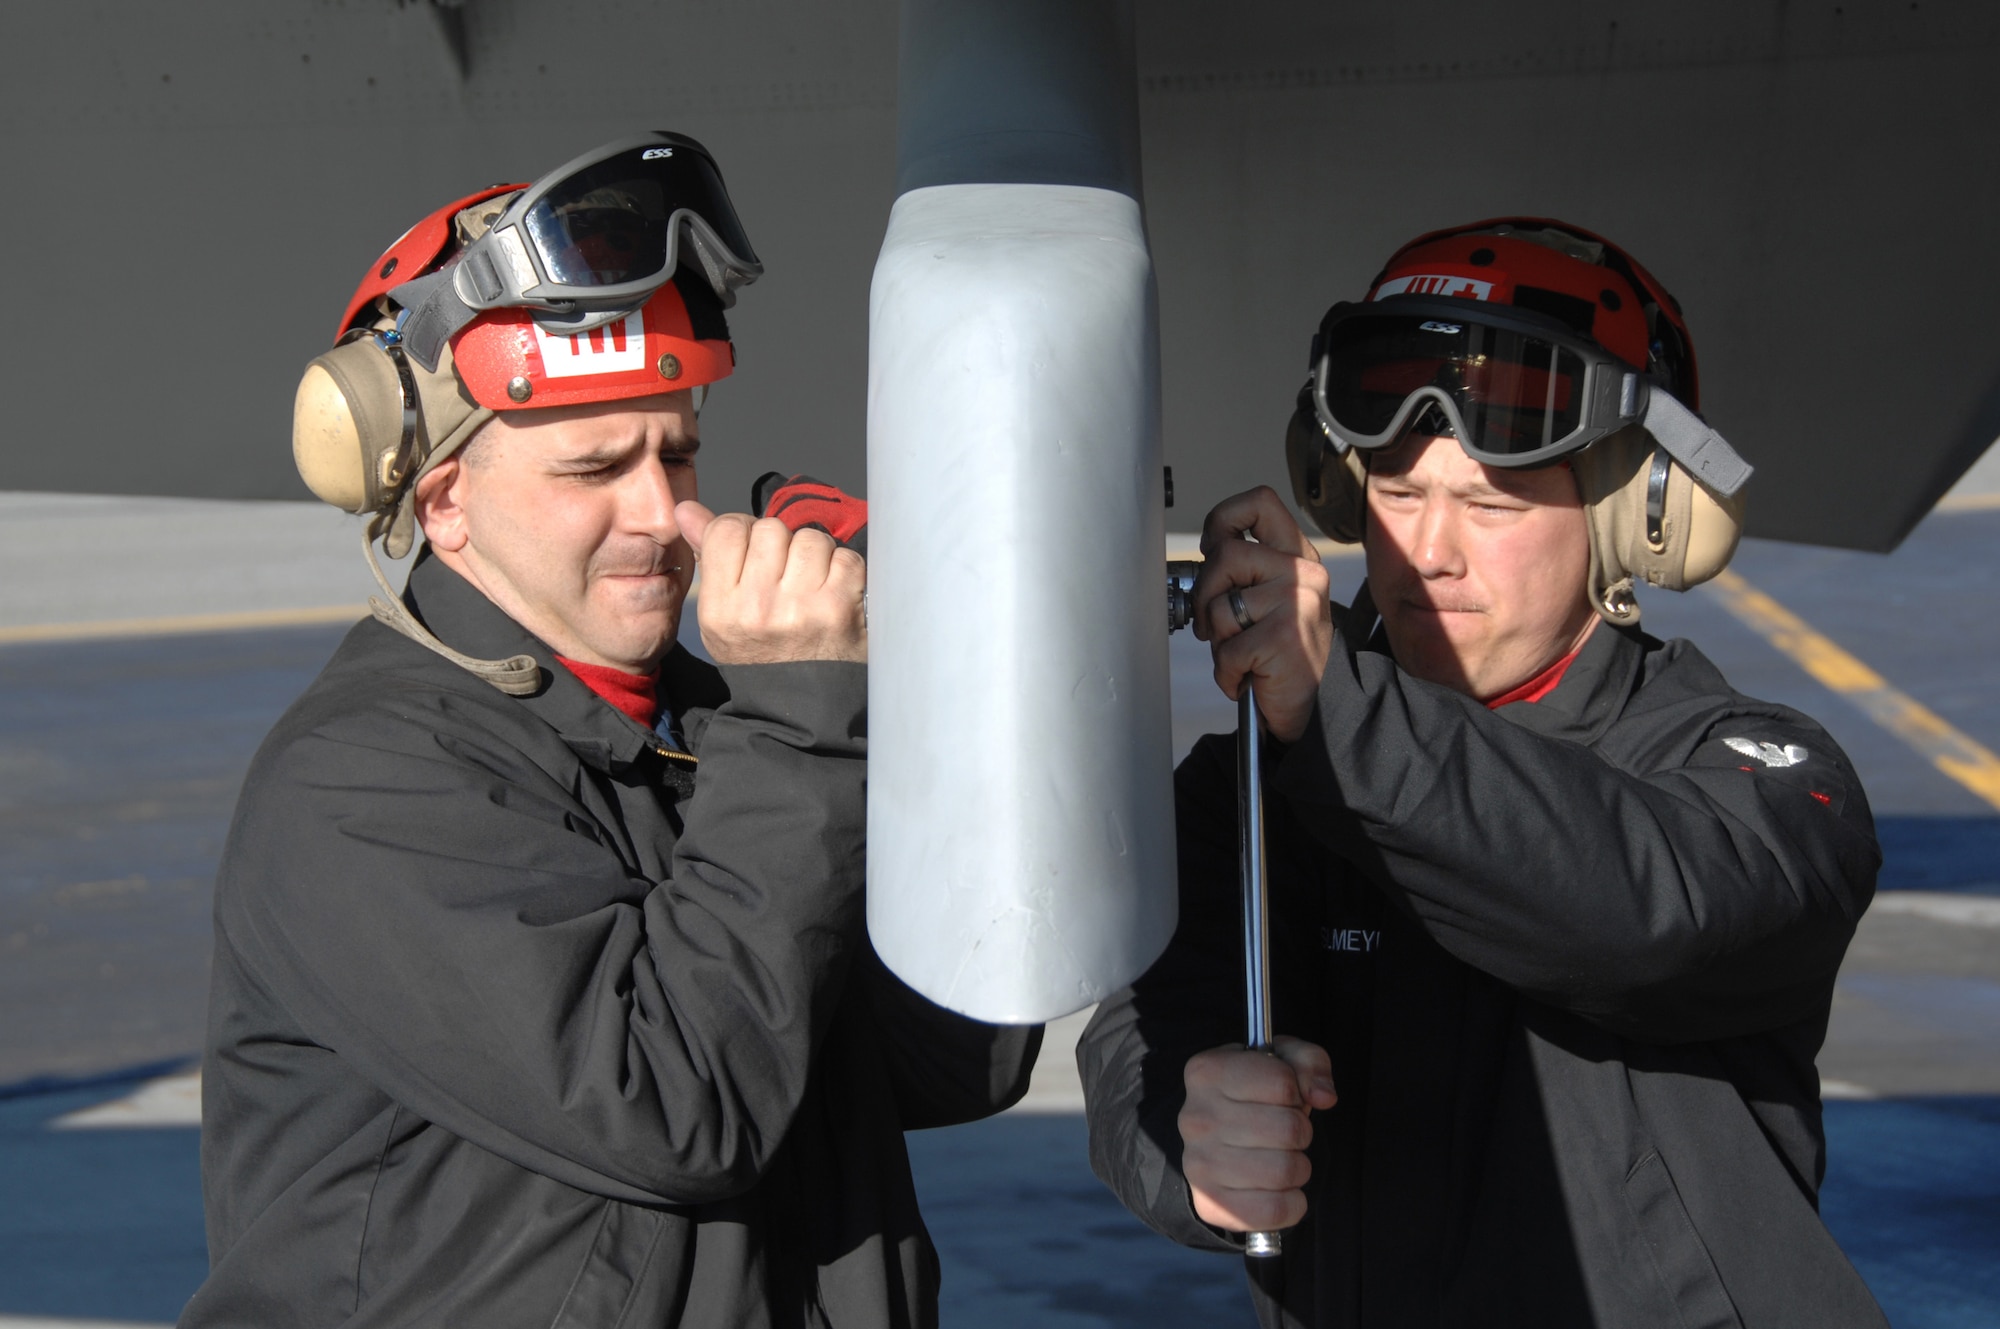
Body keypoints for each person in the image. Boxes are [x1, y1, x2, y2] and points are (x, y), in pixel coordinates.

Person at [185, 132, 1037, 1328]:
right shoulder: (364, 783)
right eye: (594, 468)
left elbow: (956, 1053)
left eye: (677, 450)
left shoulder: (713, 729)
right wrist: (797, 723)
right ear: (446, 502)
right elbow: (678, 1107)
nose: (664, 515)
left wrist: (925, 701)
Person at [1080, 219, 1888, 1327]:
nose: (1428, 554)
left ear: (1636, 515)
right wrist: (1190, 1141)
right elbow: (1143, 1021)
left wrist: (1338, 713)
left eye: (1492, 505)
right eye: (1398, 499)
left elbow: (1642, 916)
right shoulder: (1250, 793)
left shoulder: (1760, 776)